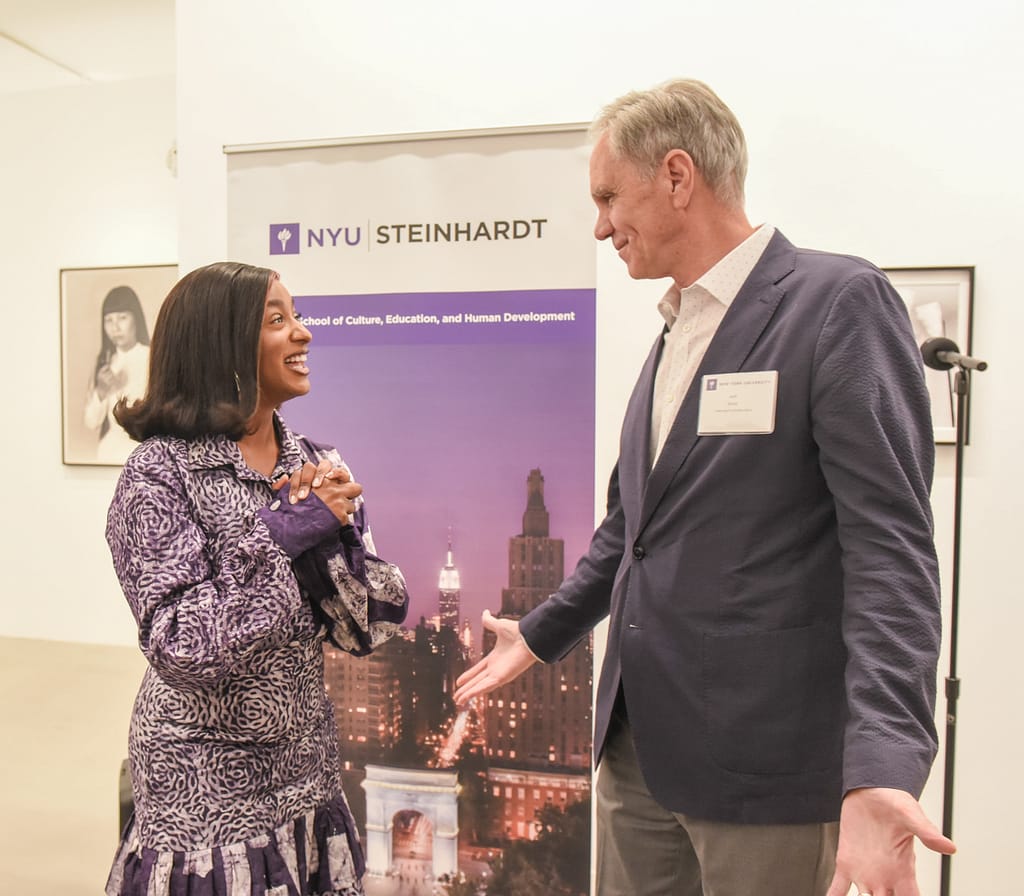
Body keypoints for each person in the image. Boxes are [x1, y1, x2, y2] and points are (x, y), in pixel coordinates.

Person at [454, 79, 955, 896]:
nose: (600, 224)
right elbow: (633, 530)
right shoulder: (676, 329)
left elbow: (891, 552)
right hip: (636, 749)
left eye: (610, 196)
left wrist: (884, 762)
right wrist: (541, 633)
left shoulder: (836, 304)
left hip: (767, 767)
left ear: (678, 178)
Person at [104, 261, 407, 896]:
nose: (304, 334)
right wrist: (285, 531)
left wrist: (333, 538)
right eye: (278, 320)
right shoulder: (159, 473)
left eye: (296, 316)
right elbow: (183, 646)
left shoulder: (316, 463)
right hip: (203, 803)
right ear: (223, 342)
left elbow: (369, 628)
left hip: (307, 782)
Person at [84, 285, 151, 464]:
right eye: (109, 320)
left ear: (135, 318)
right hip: (107, 454)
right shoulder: (104, 363)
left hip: (142, 453)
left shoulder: (152, 358)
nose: (115, 327)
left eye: (122, 318)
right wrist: (101, 391)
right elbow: (91, 422)